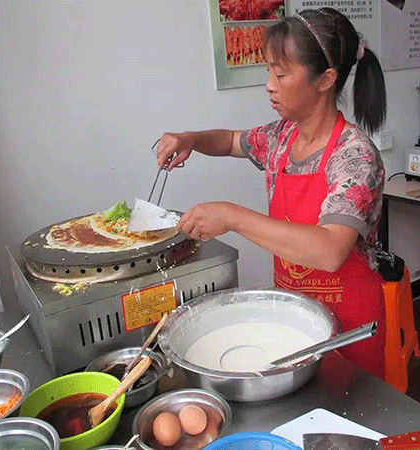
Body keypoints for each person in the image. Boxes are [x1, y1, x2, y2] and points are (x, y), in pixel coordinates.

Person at [156, 8, 387, 379]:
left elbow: (329, 251)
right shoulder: (282, 137)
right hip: (294, 317)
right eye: (268, 71)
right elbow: (232, 141)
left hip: (349, 329)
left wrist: (232, 217)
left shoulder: (354, 156)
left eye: (281, 73)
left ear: (325, 79)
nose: (269, 84)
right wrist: (192, 140)